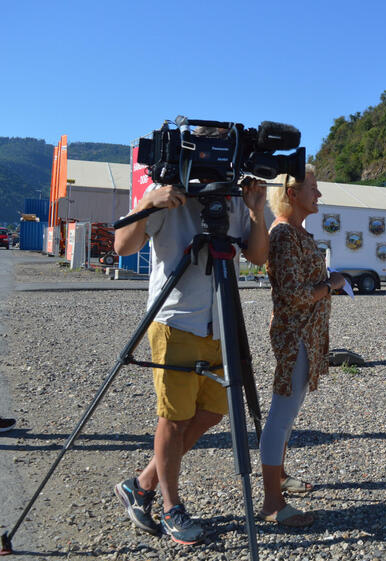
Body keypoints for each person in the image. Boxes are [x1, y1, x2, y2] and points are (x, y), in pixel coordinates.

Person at [112, 135, 269, 545]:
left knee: (214, 411)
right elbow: (122, 246)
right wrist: (149, 203)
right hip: (175, 320)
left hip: (219, 321)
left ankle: (141, 484)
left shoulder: (235, 199)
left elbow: (257, 256)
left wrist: (256, 211)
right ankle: (171, 508)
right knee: (174, 418)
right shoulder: (165, 194)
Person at [258, 165, 343, 528]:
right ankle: (272, 502)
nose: (318, 194)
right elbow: (293, 295)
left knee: (288, 415)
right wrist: (331, 285)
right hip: (295, 337)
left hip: (306, 336)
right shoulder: (283, 235)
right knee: (281, 416)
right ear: (292, 193)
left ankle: (278, 478)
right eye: (313, 188)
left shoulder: (296, 233)